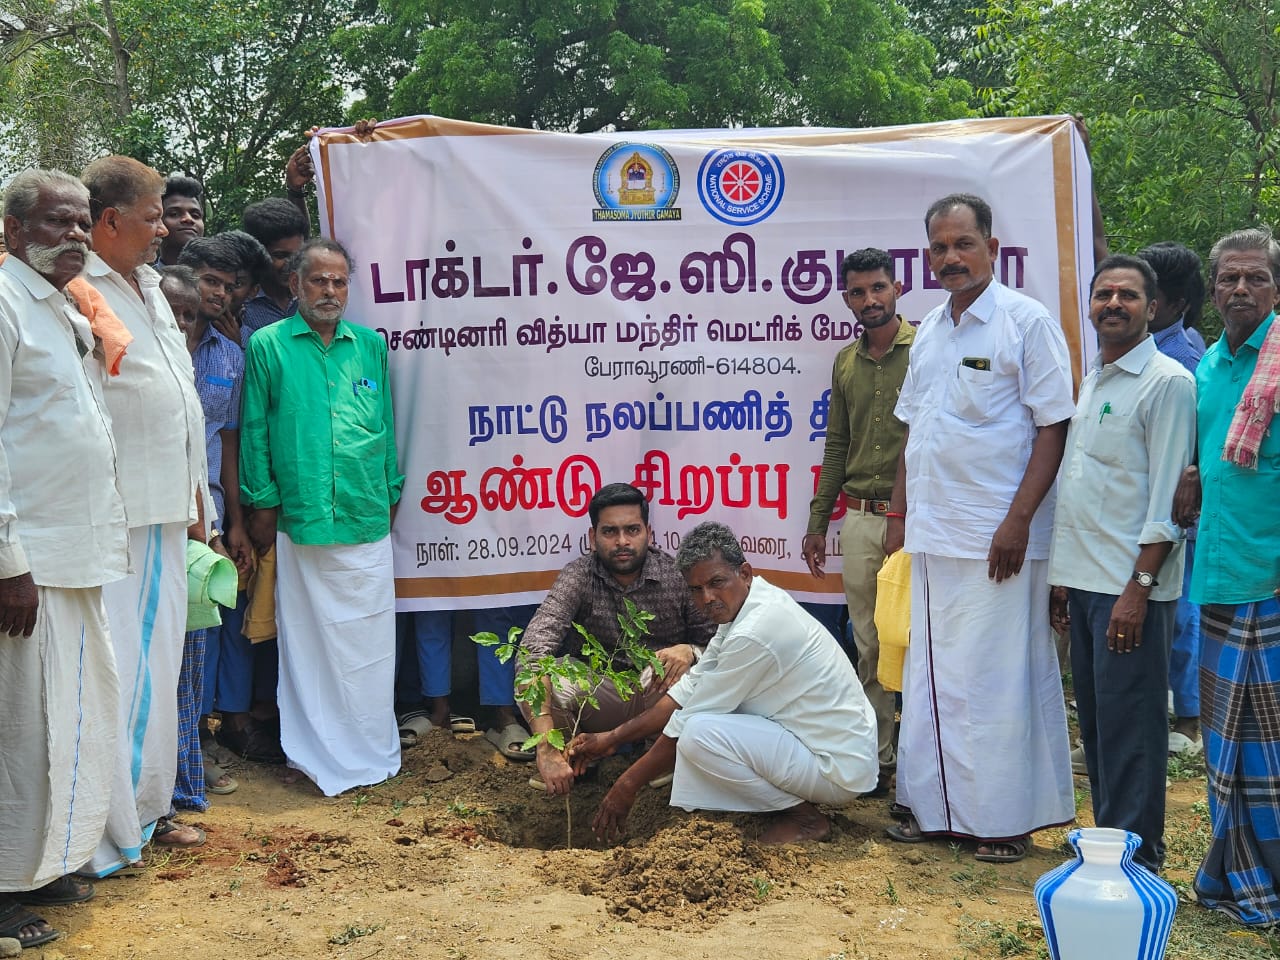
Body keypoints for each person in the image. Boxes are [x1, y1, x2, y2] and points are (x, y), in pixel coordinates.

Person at [884, 193, 1076, 863]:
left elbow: (1054, 422)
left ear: (993, 247)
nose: (951, 258)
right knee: (934, 673)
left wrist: (1018, 520)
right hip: (934, 534)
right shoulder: (932, 328)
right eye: (939, 248)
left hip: (999, 537)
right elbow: (916, 429)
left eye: (963, 243)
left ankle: (1002, 820)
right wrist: (900, 514)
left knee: (997, 678)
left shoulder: (1026, 322)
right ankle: (933, 809)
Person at [0, 169, 129, 947]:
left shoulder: (60, 309)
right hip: (29, 564)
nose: (77, 236)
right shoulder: (3, 304)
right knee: (17, 728)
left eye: (84, 223)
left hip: (75, 555)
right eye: (58, 222)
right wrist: (7, 560)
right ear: (13, 230)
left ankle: (40, 863)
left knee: (65, 723)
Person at [569, 521, 878, 845]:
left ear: (744, 573)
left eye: (717, 582)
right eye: (696, 589)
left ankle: (804, 818)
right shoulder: (748, 605)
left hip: (835, 766)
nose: (708, 598)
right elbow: (687, 691)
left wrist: (627, 785)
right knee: (696, 721)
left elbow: (685, 721)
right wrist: (612, 738)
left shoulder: (756, 629)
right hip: (819, 747)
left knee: (698, 734)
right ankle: (784, 806)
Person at [81, 156, 209, 873]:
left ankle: (149, 814)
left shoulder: (153, 286)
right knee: (120, 673)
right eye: (155, 215)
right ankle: (103, 834)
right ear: (111, 221)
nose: (165, 228)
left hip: (168, 507)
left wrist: (199, 505)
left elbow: (177, 400)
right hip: (117, 514)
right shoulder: (77, 289)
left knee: (161, 671)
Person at [1047, 254, 1196, 873]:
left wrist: (1138, 588)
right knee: (1103, 728)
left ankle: (1137, 861)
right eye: (1103, 293)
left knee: (1133, 732)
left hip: (1128, 589)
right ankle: (1110, 844)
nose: (1113, 303)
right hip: (1084, 584)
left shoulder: (1167, 383)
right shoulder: (1096, 379)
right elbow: (1084, 489)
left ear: (1152, 307)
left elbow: (1166, 500)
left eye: (1128, 296)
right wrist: (1062, 582)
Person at [239, 237, 403, 796]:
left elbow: (385, 426)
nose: (330, 291)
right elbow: (256, 430)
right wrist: (261, 502)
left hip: (365, 514)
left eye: (339, 282)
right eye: (318, 281)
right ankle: (310, 754)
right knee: (307, 645)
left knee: (369, 644)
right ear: (295, 285)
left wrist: (391, 488)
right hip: (302, 517)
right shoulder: (269, 345)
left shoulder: (371, 346)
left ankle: (368, 748)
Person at [1172, 228, 1280, 925]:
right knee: (1223, 748)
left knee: (1268, 755)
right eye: (1228, 279)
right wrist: (1193, 475)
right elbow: (1215, 457)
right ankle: (1231, 875)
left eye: (1254, 279)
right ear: (1212, 291)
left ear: (1275, 288)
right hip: (1215, 572)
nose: (1240, 289)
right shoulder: (1211, 366)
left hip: (1269, 579)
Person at [802, 247, 915, 795]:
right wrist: (819, 520)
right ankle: (880, 758)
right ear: (845, 298)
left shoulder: (926, 349)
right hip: (860, 520)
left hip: (917, 523)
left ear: (897, 289)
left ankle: (922, 759)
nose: (869, 300)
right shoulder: (845, 361)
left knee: (913, 640)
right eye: (857, 292)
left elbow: (930, 441)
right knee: (869, 642)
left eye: (878, 288)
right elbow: (836, 444)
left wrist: (902, 514)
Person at [518, 483, 716, 795]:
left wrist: (690, 650)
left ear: (649, 533)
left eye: (632, 530)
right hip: (601, 693)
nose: (622, 541)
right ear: (592, 538)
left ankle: (662, 757)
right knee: (541, 675)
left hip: (659, 694)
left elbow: (720, 645)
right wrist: (544, 747)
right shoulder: (578, 575)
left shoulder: (677, 575)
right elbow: (533, 651)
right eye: (610, 531)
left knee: (675, 669)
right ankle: (569, 757)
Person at [174, 238, 256, 800]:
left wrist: (234, 525)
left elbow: (227, 446)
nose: (218, 292)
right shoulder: (153, 340)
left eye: (228, 285)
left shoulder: (229, 356)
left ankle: (198, 744)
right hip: (159, 510)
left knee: (205, 628)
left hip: (210, 509)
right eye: (210, 280)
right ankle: (169, 753)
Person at [1136, 241, 1207, 760]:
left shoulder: (1180, 357)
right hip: (1142, 504)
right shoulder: (1154, 347)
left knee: (1180, 613)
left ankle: (1189, 718)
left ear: (1174, 302)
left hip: (1177, 511)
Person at [239, 199, 308, 346]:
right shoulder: (239, 306)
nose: (292, 264)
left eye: (298, 255)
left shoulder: (313, 298)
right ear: (257, 254)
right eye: (280, 256)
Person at [156, 175, 205, 267]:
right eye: (174, 214)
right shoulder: (136, 279)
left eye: (195, 215)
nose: (188, 219)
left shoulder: (226, 279)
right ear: (157, 222)